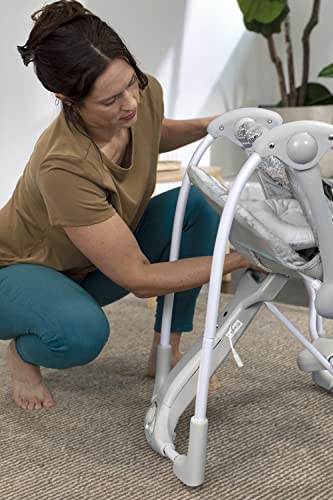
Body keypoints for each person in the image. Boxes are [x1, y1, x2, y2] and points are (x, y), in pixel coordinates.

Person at [0, 0, 254, 410]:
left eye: (130, 83)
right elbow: (138, 278)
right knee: (81, 333)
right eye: (110, 101)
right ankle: (23, 354)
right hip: (17, 271)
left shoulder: (143, 93)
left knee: (197, 206)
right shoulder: (63, 165)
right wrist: (238, 260)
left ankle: (166, 350)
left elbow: (151, 130)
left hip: (87, 264)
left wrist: (213, 125)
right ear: (67, 98)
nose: (130, 103)